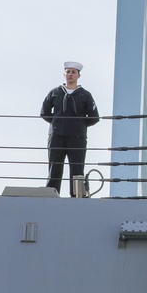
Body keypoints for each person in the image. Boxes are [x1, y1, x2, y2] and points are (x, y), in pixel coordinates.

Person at [41, 62, 100, 197]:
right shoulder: (55, 93)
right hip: (57, 136)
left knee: (77, 168)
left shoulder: (85, 95)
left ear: (78, 75)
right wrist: (57, 122)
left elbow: (94, 117)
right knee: (55, 167)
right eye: (68, 72)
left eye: (73, 72)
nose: (70, 74)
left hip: (77, 137)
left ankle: (77, 195)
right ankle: (51, 194)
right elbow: (44, 112)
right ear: (64, 74)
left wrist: (79, 124)